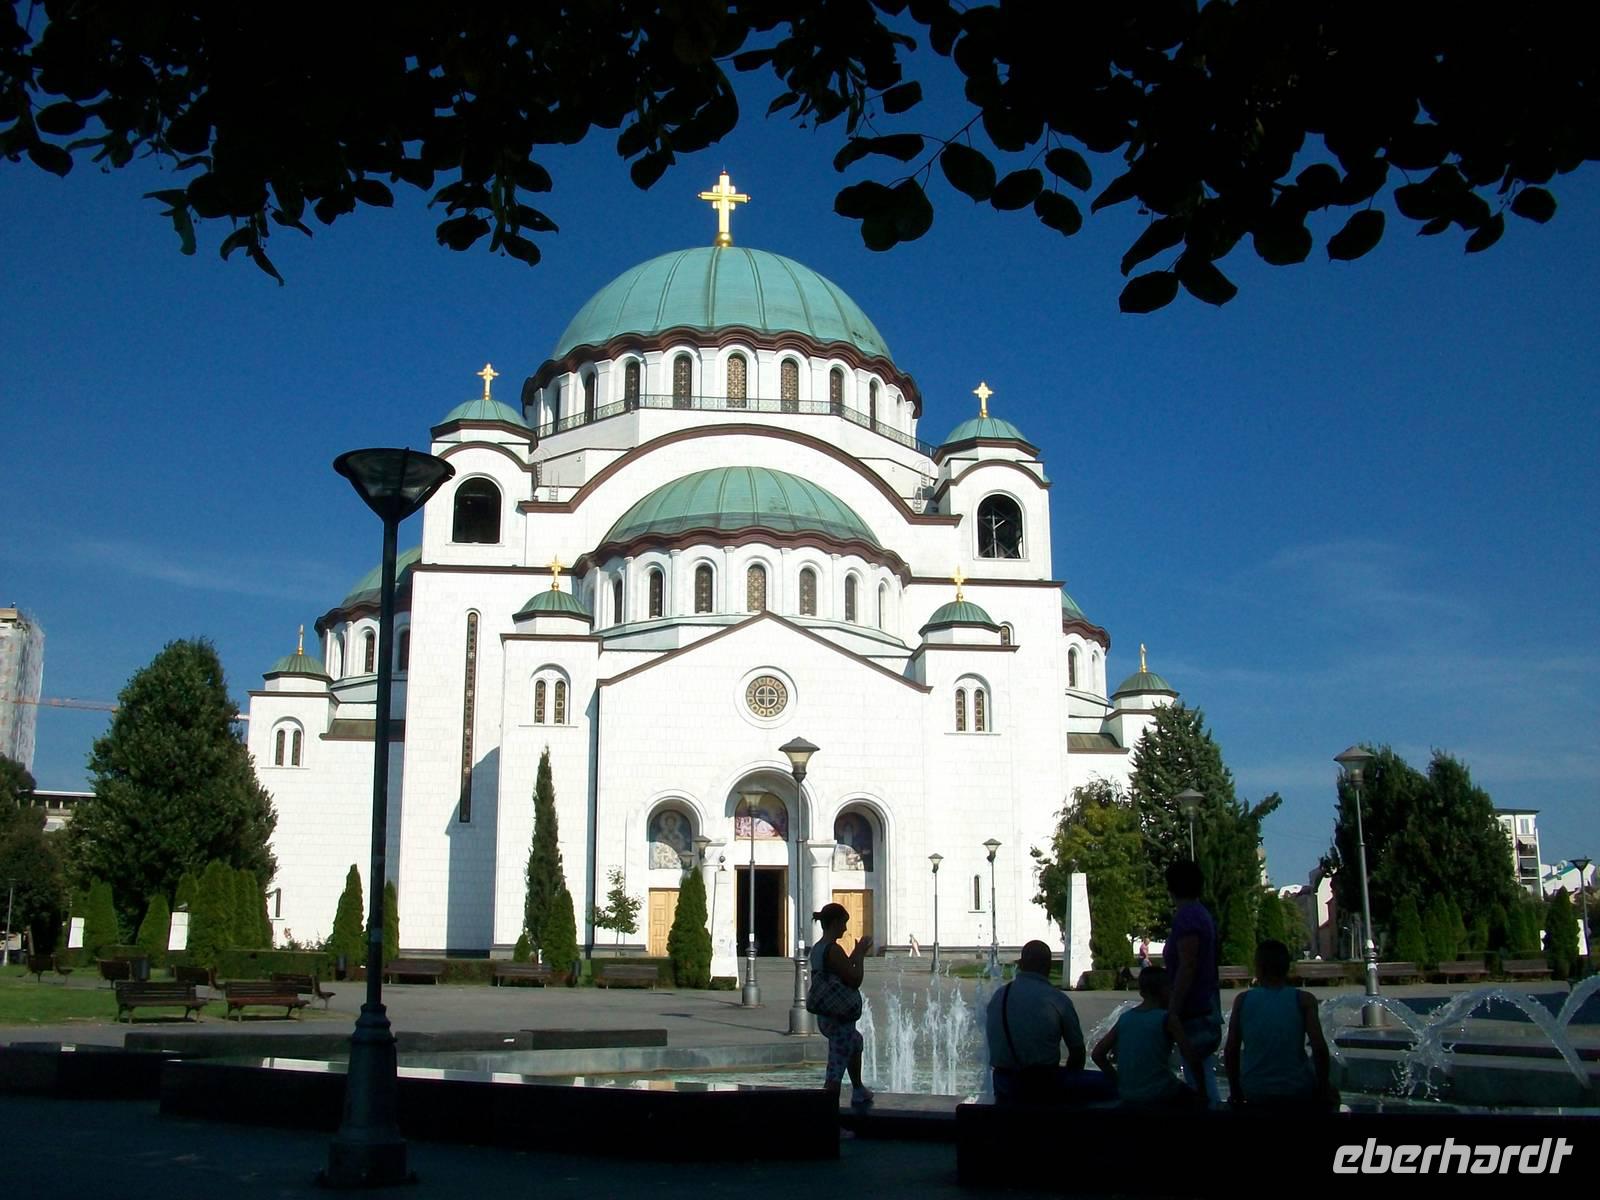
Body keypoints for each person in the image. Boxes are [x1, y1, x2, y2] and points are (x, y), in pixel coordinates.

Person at [985, 940, 1116, 1104]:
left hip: (1004, 1084)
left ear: (1021, 964)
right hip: (1043, 1084)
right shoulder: (1056, 1000)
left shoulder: (999, 996)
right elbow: (1077, 1051)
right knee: (1109, 1085)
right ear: (1048, 966)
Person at [1223, 939, 1336, 1107]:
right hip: (1296, 1089)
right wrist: (1323, 1086)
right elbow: (1319, 1047)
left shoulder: (1242, 1000)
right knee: (1334, 1096)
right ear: (1287, 968)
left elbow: (1231, 1049)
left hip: (1255, 1089)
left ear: (1259, 969)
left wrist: (1235, 1090)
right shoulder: (1303, 1000)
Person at [1092, 966, 1200, 1108]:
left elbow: (1097, 1054)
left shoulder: (1126, 1018)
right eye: (1170, 989)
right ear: (1164, 991)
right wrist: (1203, 1091)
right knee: (1193, 1099)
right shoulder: (1167, 1019)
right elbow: (1191, 1057)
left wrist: (1119, 1080)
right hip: (1160, 1092)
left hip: (1128, 1093)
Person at [1162, 860, 1222, 1105]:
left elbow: (1188, 964)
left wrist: (1173, 1007)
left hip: (1194, 1006)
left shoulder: (1187, 917)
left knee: (1197, 1075)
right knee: (1201, 1070)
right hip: (1203, 1001)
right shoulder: (1200, 913)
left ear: (1172, 887)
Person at [810, 903, 874, 1108]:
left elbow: (842, 968)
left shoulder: (819, 949)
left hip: (827, 1015)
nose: (845, 929)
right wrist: (862, 955)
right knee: (835, 1072)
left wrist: (856, 951)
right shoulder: (833, 949)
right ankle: (830, 1123)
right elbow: (854, 978)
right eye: (844, 923)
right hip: (839, 1018)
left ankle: (858, 1089)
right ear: (835, 923)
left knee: (856, 1041)